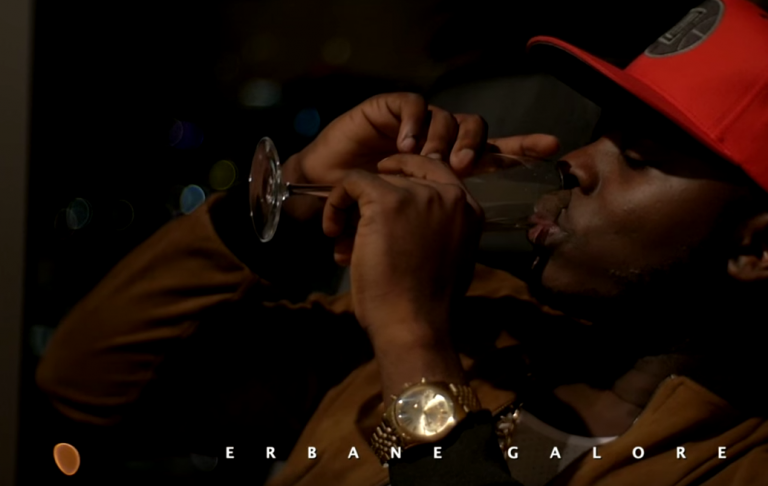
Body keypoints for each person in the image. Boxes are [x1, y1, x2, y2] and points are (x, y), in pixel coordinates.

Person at [36, 0, 768, 484]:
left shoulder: (738, 464)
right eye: (600, 135)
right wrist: (291, 200)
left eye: (636, 156)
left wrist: (414, 343)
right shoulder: (485, 330)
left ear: (756, 250)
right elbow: (86, 380)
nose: (576, 161)